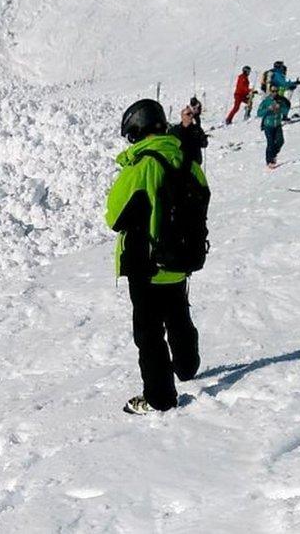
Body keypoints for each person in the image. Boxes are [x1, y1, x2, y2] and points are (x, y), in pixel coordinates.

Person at [105, 99, 207, 415]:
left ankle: (160, 398)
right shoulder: (187, 160)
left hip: (147, 266)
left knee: (149, 335)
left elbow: (114, 216)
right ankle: (187, 367)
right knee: (178, 316)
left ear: (136, 131)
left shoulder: (143, 165)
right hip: (181, 262)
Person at [257, 85, 291, 169]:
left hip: (277, 124)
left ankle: (273, 154)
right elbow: (259, 113)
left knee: (280, 141)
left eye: (276, 91)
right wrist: (269, 109)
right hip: (268, 125)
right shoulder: (266, 101)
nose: (274, 93)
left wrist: (280, 108)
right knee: (270, 143)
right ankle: (269, 161)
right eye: (273, 91)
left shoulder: (280, 100)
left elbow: (286, 110)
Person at [170, 97, 209, 168]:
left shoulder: (196, 129)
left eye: (191, 114)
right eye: (188, 114)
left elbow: (204, 144)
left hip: (195, 165)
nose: (190, 116)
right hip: (181, 166)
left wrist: (202, 137)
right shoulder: (175, 130)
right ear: (182, 116)